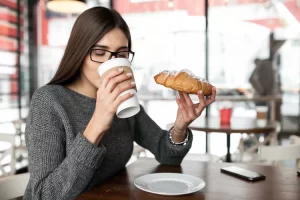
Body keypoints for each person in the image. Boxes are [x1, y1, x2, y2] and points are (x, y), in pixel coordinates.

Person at [24, 6, 216, 200]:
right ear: (80, 53)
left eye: (121, 54)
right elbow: (43, 195)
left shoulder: (124, 98)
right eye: (100, 53)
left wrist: (180, 127)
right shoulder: (49, 101)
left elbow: (168, 156)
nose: (111, 63)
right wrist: (96, 125)